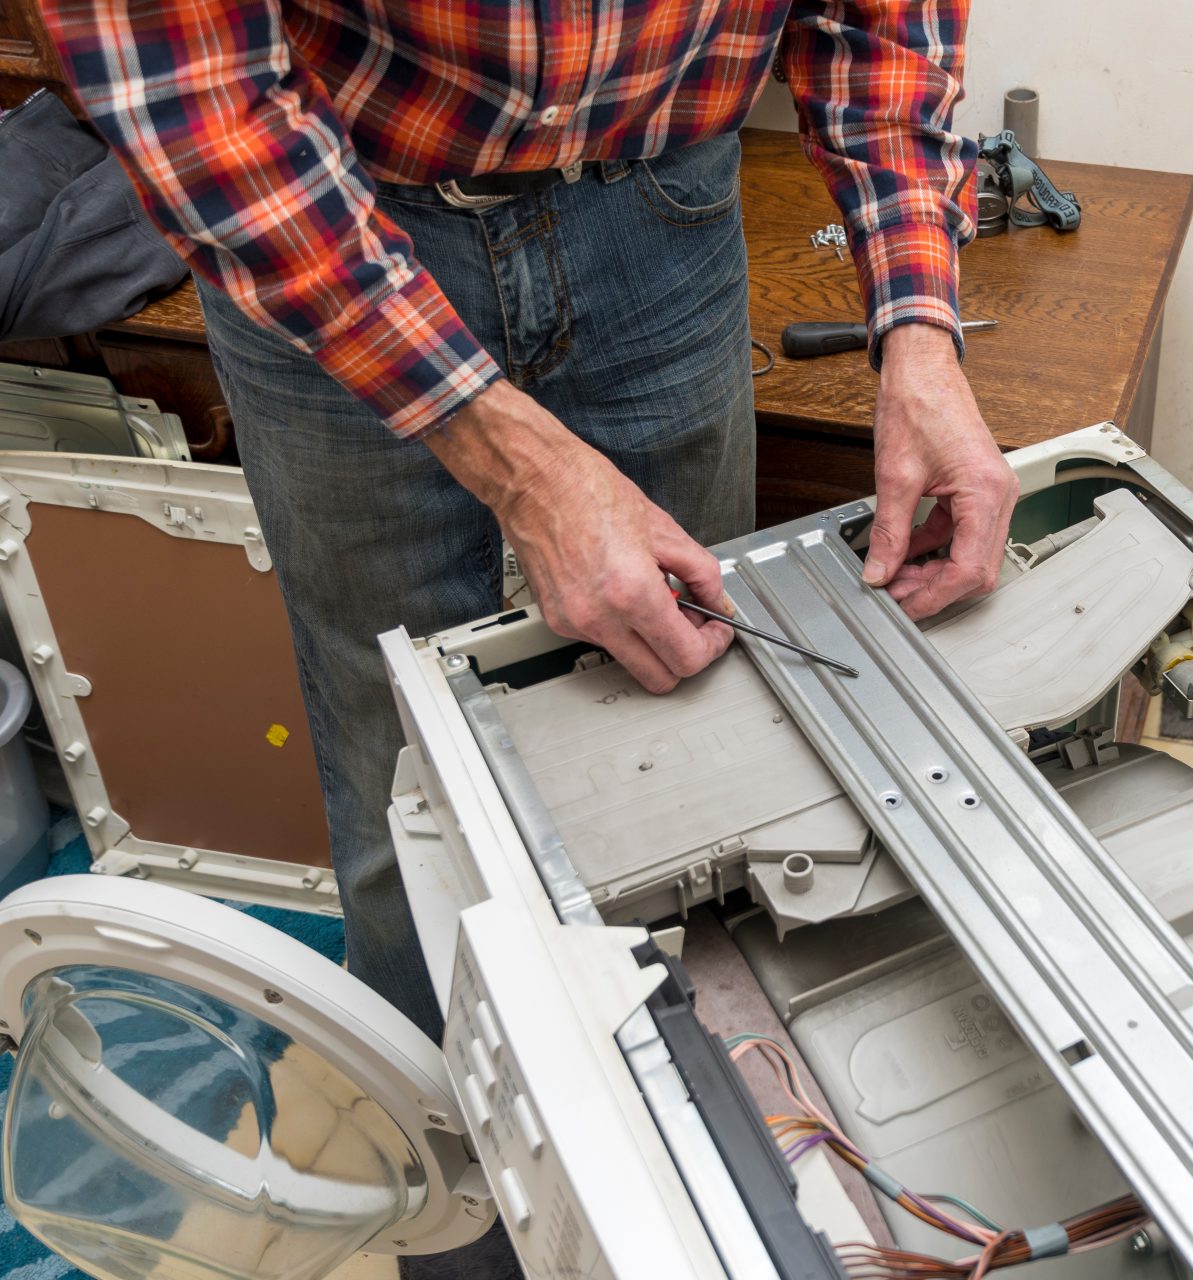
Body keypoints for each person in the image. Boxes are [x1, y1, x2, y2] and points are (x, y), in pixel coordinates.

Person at [41, 0, 1012, 1272]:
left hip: (662, 217)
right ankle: (473, 1236)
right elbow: (187, 95)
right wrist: (520, 465)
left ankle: (680, 1210)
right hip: (333, 215)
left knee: (690, 759)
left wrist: (920, 330)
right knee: (411, 796)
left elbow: (879, 24)